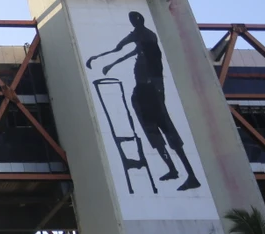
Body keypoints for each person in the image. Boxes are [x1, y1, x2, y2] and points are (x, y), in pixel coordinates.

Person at [86, 11, 200, 190]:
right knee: (156, 132)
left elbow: (120, 47)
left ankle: (189, 174)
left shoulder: (141, 35)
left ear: (138, 21)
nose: (132, 23)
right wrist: (109, 63)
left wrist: (100, 58)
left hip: (149, 92)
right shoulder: (147, 41)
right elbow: (128, 52)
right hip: (148, 91)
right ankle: (174, 169)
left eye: (134, 20)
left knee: (164, 131)